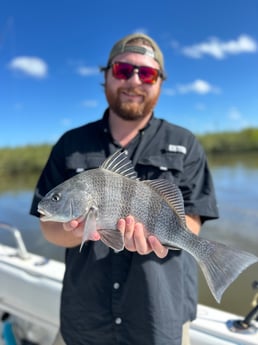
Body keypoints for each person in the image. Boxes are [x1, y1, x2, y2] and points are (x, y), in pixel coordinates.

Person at [30, 33, 219, 345]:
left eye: (146, 73)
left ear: (159, 82)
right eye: (122, 70)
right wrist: (80, 230)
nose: (134, 81)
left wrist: (164, 234)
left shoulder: (186, 145)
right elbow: (48, 226)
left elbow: (192, 223)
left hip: (159, 322)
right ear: (106, 75)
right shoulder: (70, 145)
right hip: (84, 323)